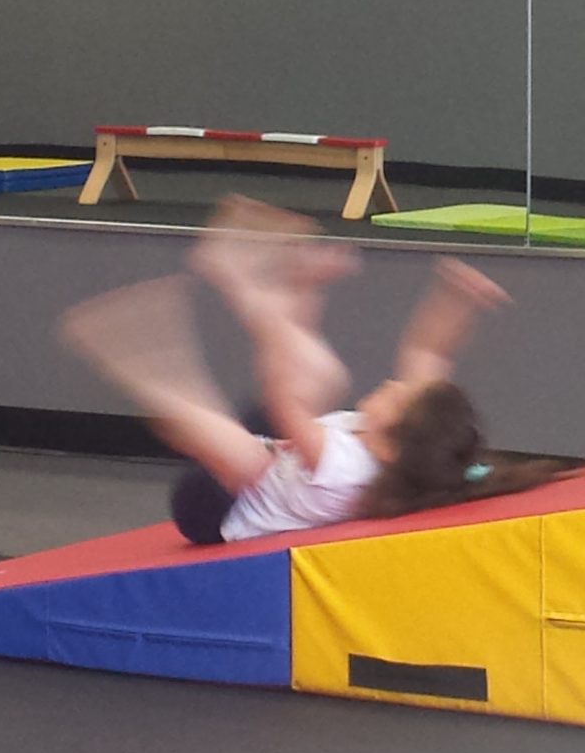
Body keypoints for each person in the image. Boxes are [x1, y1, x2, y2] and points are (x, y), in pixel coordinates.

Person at [60, 197, 553, 544]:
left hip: (213, 508)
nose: (391, 384)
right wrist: (458, 300)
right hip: (275, 452)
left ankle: (155, 377)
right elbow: (426, 352)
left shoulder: (346, 471)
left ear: (389, 446)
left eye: (397, 396)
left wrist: (295, 301)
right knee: (320, 377)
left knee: (254, 453)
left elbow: (284, 402)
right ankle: (243, 282)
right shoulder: (397, 441)